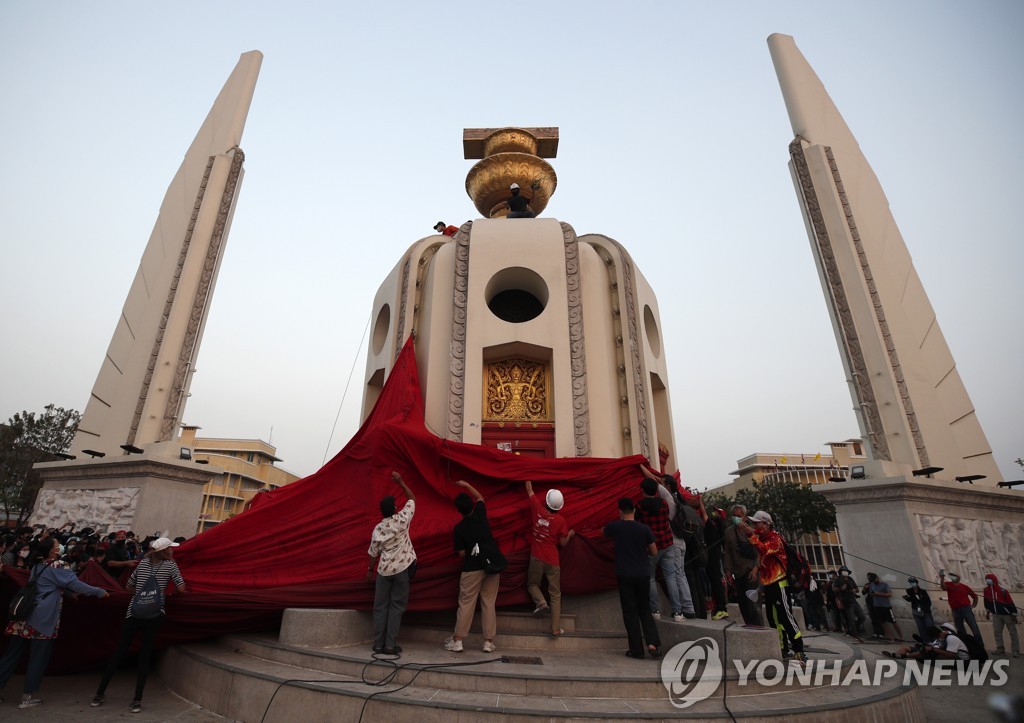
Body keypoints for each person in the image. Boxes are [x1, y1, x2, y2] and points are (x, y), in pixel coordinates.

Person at [0, 537, 109, 709]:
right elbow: (76, 584)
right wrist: (99, 592)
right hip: (43, 619)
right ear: (52, 550)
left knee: (11, 655)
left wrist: (66, 593)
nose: (60, 547)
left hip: (24, 616)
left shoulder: (37, 564)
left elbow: (45, 584)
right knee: (38, 658)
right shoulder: (59, 565)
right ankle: (27, 697)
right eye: (57, 545)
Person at [91, 536, 186, 713]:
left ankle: (99, 694)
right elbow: (181, 588)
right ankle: (136, 700)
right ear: (165, 551)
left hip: (133, 612)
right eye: (171, 548)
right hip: (155, 613)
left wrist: (141, 594)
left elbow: (128, 586)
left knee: (119, 652)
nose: (173, 550)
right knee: (145, 654)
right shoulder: (171, 565)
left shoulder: (142, 564)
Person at [444, 480, 502, 654]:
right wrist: (466, 484)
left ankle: (458, 640)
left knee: (466, 603)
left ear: (459, 510)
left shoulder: (459, 528)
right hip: (492, 564)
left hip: (472, 567)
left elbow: (461, 553)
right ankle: (488, 642)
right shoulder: (480, 514)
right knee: (489, 603)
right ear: (472, 506)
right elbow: (480, 498)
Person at [742, 510, 806, 663]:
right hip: (768, 585)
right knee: (774, 620)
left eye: (758, 523)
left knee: (786, 617)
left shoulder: (774, 539)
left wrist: (751, 535)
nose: (755, 526)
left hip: (779, 584)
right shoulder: (762, 539)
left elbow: (764, 549)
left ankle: (799, 650)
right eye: (754, 523)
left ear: (767, 524)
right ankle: (782, 649)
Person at [604, 498, 662, 659]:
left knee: (630, 612)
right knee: (645, 609)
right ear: (634, 511)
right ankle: (652, 644)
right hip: (643, 574)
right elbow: (655, 552)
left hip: (625, 574)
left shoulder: (616, 527)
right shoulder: (644, 529)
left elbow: (603, 532)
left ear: (620, 512)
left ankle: (636, 650)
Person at [367, 471, 417, 656]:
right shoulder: (402, 520)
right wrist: (401, 481)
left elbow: (373, 553)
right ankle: (390, 645)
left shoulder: (378, 528)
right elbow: (412, 499)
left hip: (383, 572)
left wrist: (370, 570)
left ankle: (378, 644)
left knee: (380, 607)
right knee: (396, 607)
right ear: (395, 508)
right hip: (402, 570)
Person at [636, 466, 686, 621]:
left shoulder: (640, 506)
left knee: (650, 577)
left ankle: (655, 610)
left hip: (652, 546)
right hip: (668, 544)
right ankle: (677, 612)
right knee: (671, 577)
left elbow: (638, 524)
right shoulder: (664, 504)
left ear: (643, 491)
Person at [524, 480, 574, 637]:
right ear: (560, 506)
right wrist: (571, 534)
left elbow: (529, 490)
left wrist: (526, 474)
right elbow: (563, 543)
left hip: (536, 557)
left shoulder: (537, 510)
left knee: (532, 584)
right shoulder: (561, 521)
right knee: (555, 594)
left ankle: (541, 602)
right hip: (552, 560)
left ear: (546, 501)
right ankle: (555, 629)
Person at [723, 503, 763, 626]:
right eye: (734, 516)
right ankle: (749, 626)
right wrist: (728, 571)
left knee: (754, 605)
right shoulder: (729, 532)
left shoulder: (751, 531)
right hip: (738, 573)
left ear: (745, 517)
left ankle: (759, 628)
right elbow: (728, 553)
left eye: (739, 516)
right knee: (743, 604)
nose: (736, 518)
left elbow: (759, 552)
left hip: (751, 570)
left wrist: (755, 569)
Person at [939, 570, 984, 643]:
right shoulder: (949, 584)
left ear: (958, 577)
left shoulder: (964, 587)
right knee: (960, 629)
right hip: (955, 610)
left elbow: (975, 596)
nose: (952, 577)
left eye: (954, 575)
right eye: (951, 575)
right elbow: (943, 587)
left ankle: (980, 644)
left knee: (974, 627)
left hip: (966, 609)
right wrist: (942, 578)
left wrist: (973, 605)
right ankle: (965, 644)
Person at [983, 573, 1020, 657]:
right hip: (996, 615)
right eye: (986, 579)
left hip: (1007, 615)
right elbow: (986, 602)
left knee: (1012, 633)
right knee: (997, 632)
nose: (987, 580)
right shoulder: (986, 590)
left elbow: (1010, 603)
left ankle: (1015, 651)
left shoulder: (1003, 591)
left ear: (994, 580)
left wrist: (1014, 615)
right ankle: (1000, 649)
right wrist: (988, 612)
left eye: (989, 578)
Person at [864, 572, 904, 642]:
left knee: (893, 622)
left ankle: (901, 637)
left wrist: (879, 594)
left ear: (877, 578)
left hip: (886, 606)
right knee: (883, 622)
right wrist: (872, 593)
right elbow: (870, 593)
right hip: (877, 606)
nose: (873, 582)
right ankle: (890, 638)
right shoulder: (872, 585)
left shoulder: (884, 585)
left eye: (874, 580)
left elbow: (890, 594)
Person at [831, 565, 864, 640]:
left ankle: (854, 629)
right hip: (846, 601)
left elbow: (857, 589)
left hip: (853, 600)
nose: (845, 572)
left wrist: (854, 590)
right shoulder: (838, 579)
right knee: (851, 619)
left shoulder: (850, 579)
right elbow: (834, 589)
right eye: (843, 571)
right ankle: (855, 635)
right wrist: (841, 588)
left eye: (846, 571)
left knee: (862, 617)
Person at [902, 577, 934, 641]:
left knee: (929, 626)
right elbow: (911, 599)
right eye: (911, 583)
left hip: (925, 611)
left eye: (913, 582)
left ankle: (932, 639)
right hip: (916, 611)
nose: (912, 584)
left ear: (916, 583)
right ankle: (925, 641)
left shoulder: (923, 591)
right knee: (921, 628)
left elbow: (928, 602)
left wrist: (925, 609)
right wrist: (907, 598)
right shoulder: (909, 591)